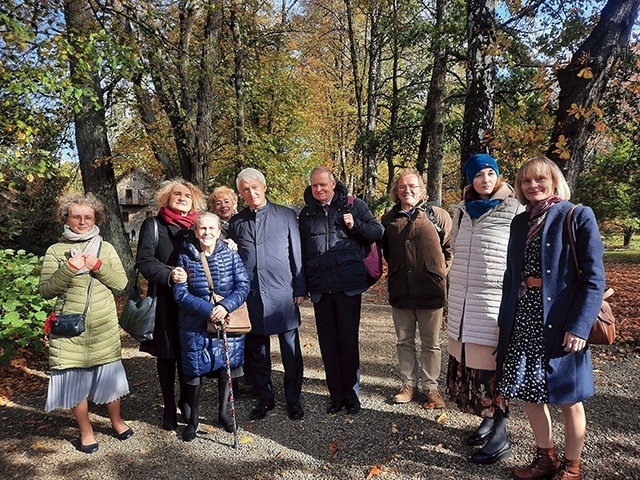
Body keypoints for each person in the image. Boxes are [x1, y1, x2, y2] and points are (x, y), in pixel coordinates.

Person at [496, 156, 605, 480]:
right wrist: (506, 320)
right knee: (530, 391)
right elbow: (511, 274)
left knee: (569, 398)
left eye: (540, 180)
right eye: (526, 181)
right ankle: (545, 459)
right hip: (525, 319)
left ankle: (572, 467)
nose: (533, 186)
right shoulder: (520, 222)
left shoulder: (576, 216)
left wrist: (579, 326)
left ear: (554, 181)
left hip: (562, 321)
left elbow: (594, 279)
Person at [445, 154, 523, 464]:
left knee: (495, 368)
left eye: (491, 173)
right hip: (464, 303)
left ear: (499, 176)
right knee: (473, 368)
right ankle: (487, 421)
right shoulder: (461, 211)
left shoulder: (514, 209)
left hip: (495, 304)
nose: (486, 179)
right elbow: (453, 249)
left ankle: (501, 433)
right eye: (479, 175)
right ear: (470, 180)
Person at [40, 193, 131, 453]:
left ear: (95, 219)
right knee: (75, 381)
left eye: (87, 217)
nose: (82, 221)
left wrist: (98, 266)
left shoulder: (106, 248)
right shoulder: (56, 251)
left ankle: (116, 421)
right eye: (76, 216)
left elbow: (121, 284)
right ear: (66, 218)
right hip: (69, 329)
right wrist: (68, 268)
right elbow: (46, 290)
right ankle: (86, 430)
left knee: (109, 378)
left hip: (103, 325)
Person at [298, 166, 384, 414]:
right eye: (314, 185)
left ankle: (352, 395)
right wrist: (303, 286)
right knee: (328, 344)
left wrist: (356, 224)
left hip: (348, 286)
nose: (319, 189)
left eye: (323, 184)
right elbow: (302, 252)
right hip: (321, 289)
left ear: (333, 184)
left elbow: (377, 232)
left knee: (348, 342)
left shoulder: (354, 206)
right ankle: (336, 396)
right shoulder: (306, 214)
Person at [228, 168, 306, 421]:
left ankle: (293, 398)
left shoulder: (285, 215)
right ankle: (265, 397)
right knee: (258, 352)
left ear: (264, 187)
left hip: (282, 292)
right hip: (251, 295)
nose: (251, 193)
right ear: (241, 194)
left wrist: (300, 287)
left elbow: (297, 253)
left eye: (255, 188)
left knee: (290, 350)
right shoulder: (237, 222)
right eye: (245, 190)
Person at [136, 179, 207, 431]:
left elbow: (213, 249)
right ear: (167, 198)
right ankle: (168, 406)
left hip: (193, 302)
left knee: (190, 353)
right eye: (176, 194)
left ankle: (187, 401)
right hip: (165, 301)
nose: (181, 197)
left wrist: (227, 244)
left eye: (187, 195)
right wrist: (169, 274)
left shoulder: (198, 226)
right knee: (166, 357)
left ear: (194, 200)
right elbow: (144, 261)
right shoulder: (154, 225)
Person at [173, 213, 250, 441]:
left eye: (211, 228)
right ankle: (193, 420)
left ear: (219, 231)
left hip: (227, 322)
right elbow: (180, 294)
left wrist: (225, 306)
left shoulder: (231, 255)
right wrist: (208, 310)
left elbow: (243, 285)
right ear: (196, 232)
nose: (207, 233)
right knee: (194, 373)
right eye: (202, 228)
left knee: (226, 371)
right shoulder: (185, 256)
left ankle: (224, 413)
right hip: (194, 325)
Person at [381, 169, 452, 409]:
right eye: (402, 186)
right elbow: (388, 253)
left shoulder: (437, 216)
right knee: (404, 341)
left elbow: (450, 250)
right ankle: (408, 384)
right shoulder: (389, 219)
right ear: (396, 191)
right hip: (401, 289)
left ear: (422, 190)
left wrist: (439, 274)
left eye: (412, 186)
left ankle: (431, 388)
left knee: (431, 343)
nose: (407, 190)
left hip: (430, 291)